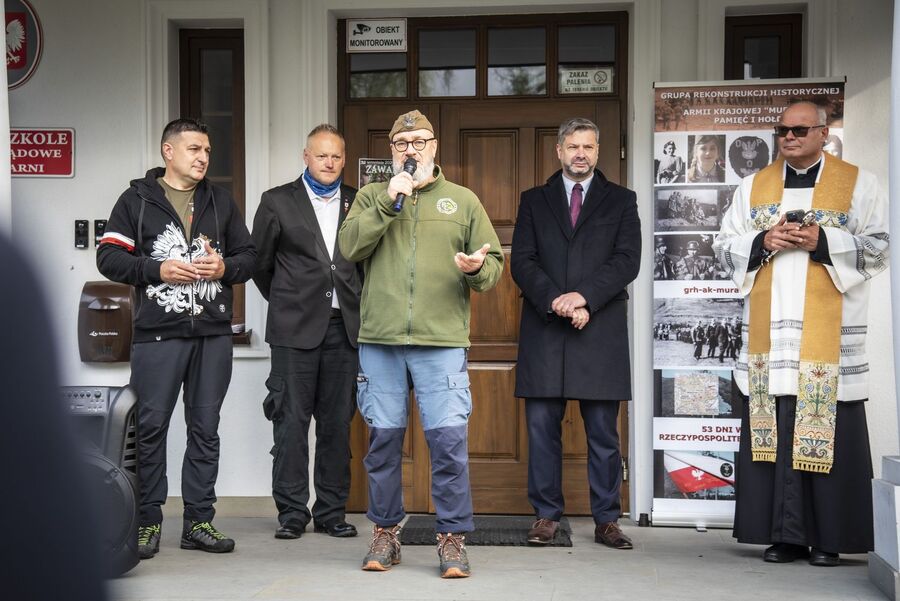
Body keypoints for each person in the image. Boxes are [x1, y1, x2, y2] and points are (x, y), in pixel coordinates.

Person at [714, 101, 889, 567]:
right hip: (771, 339)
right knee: (776, 429)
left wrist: (824, 243)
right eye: (782, 130)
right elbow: (721, 245)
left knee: (830, 427)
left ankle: (829, 539)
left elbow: (880, 247)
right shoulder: (754, 186)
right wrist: (761, 242)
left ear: (823, 133)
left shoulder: (858, 183)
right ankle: (785, 536)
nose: (788, 137)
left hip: (828, 342)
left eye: (798, 130)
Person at [338, 109, 503, 578]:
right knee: (384, 444)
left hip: (441, 342)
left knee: (448, 445)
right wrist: (389, 203)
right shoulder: (372, 195)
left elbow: (492, 268)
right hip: (381, 341)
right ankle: (386, 534)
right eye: (402, 142)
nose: (411, 149)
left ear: (435, 146)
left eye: (419, 140)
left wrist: (476, 270)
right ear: (392, 151)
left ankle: (452, 539)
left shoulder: (463, 200)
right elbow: (350, 249)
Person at [98, 118, 256, 559]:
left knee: (205, 431)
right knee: (150, 431)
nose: (203, 157)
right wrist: (157, 269)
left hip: (212, 335)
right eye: (193, 149)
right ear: (168, 152)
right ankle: (146, 522)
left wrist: (224, 268)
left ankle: (198, 523)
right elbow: (108, 257)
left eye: (207, 150)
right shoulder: (136, 201)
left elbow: (249, 257)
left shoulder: (220, 201)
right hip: (157, 336)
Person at [510, 117, 641, 551]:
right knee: (542, 430)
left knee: (604, 434)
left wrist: (583, 298)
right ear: (559, 151)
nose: (580, 154)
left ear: (598, 151)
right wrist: (558, 301)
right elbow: (523, 262)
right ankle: (546, 516)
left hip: (598, 331)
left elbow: (627, 261)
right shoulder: (534, 200)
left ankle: (607, 520)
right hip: (545, 331)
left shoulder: (622, 201)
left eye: (588, 146)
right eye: (572, 147)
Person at [251, 124, 361, 541]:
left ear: (343, 158)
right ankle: (292, 512)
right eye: (321, 155)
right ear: (306, 156)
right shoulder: (277, 201)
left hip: (345, 331)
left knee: (336, 425)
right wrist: (289, 299)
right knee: (291, 423)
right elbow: (261, 265)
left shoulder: (359, 200)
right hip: (293, 331)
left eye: (336, 156)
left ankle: (332, 511)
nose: (329, 162)